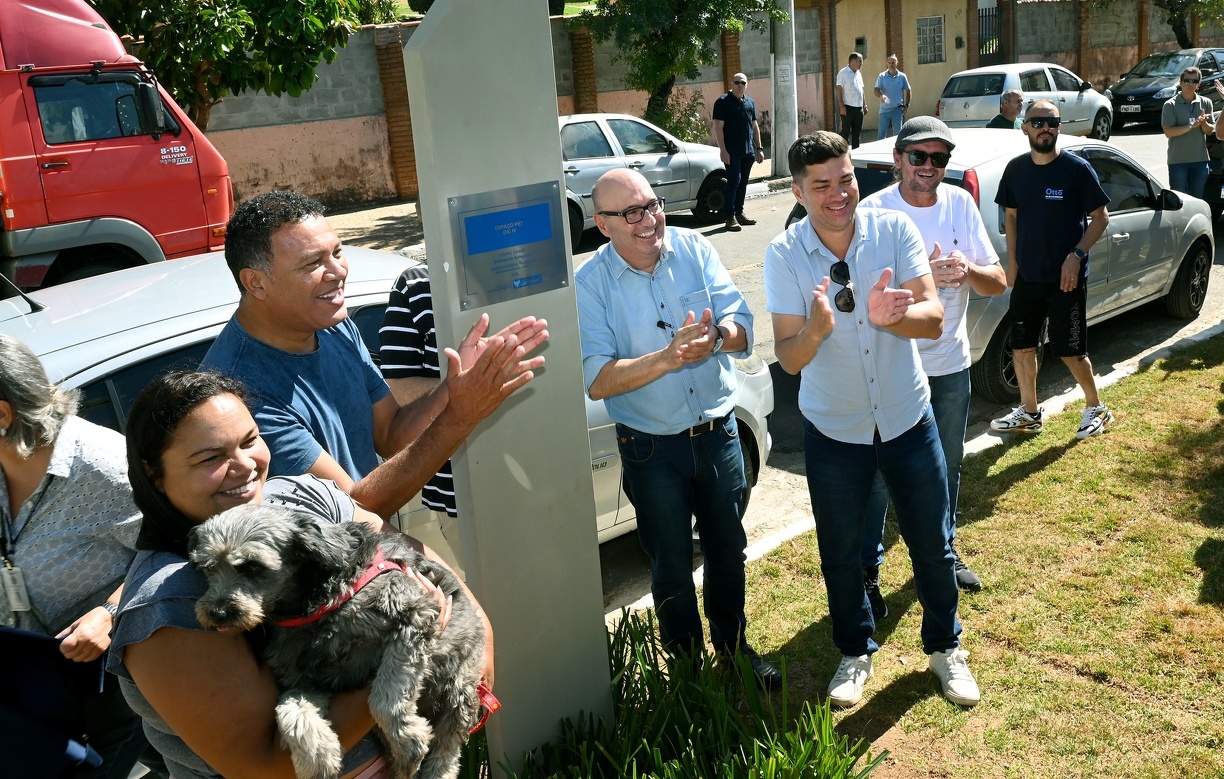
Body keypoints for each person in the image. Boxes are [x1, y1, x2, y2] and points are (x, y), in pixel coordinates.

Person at [107, 370, 494, 779]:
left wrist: (479, 646)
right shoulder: (166, 606)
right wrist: (399, 675)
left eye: (250, 440)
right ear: (153, 472)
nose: (243, 465)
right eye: (210, 457)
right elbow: (264, 767)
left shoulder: (300, 495)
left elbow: (420, 560)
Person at [764, 130, 979, 709]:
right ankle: (855, 652)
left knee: (932, 543)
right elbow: (788, 356)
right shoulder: (784, 255)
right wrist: (815, 328)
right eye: (822, 185)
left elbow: (933, 318)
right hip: (835, 432)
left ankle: (945, 649)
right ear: (798, 191)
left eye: (846, 179)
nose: (839, 194)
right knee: (840, 552)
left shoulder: (893, 230)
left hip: (909, 419)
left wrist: (894, 319)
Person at [199, 190, 548, 519]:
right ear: (255, 282)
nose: (338, 272)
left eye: (337, 252)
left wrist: (454, 389)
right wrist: (461, 415)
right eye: (312, 264)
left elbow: (391, 435)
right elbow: (354, 510)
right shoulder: (239, 391)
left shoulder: (330, 323)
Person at [574, 168, 781, 689]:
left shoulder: (692, 248)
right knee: (669, 563)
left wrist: (717, 337)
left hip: (719, 433)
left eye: (653, 204)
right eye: (632, 213)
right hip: (650, 450)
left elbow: (744, 328)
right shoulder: (590, 284)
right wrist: (666, 359)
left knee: (727, 551)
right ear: (603, 225)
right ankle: (687, 671)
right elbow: (597, 380)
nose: (650, 220)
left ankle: (734, 652)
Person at [0, 334, 164, 778]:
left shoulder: (104, 465)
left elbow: (177, 546)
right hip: (28, 688)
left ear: (1, 414)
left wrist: (110, 611)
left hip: (108, 692)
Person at [859, 118, 1007, 606]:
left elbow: (998, 281)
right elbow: (857, 295)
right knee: (879, 474)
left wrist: (966, 271)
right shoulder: (873, 211)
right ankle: (868, 570)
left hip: (948, 365)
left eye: (938, 158)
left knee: (947, 465)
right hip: (890, 368)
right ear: (899, 159)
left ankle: (943, 549)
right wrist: (921, 272)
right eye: (918, 156)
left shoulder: (961, 205)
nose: (928, 167)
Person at [990, 101, 1112, 439]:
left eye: (1052, 122)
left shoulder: (1076, 169)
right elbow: (1011, 217)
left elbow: (1100, 217)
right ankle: (1029, 413)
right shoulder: (1015, 170)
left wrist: (1076, 254)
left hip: (1066, 281)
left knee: (1070, 350)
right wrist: (1012, 263)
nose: (1046, 127)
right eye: (1038, 122)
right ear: (1025, 127)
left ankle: (1096, 407)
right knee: (1022, 346)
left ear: (1059, 127)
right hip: (1028, 276)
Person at [378, 260, 457, 520]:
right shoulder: (416, 284)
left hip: (542, 475)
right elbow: (397, 387)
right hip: (457, 491)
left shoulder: (540, 269)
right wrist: (463, 388)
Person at [713, 72, 766, 233]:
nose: (739, 85)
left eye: (742, 82)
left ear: (746, 84)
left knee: (743, 182)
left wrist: (759, 148)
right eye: (736, 82)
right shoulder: (723, 102)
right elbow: (718, 127)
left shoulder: (750, 102)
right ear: (732, 83)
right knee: (734, 181)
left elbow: (755, 126)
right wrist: (723, 150)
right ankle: (729, 217)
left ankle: (739, 212)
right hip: (731, 151)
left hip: (748, 151)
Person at [1162, 66, 1215, 198]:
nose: (1190, 84)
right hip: (1178, 162)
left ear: (1199, 84)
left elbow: (1210, 131)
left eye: (1194, 81)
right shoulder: (1170, 105)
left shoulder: (1206, 103)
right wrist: (1192, 125)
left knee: (1197, 199)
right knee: (1178, 200)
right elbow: (1169, 132)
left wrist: (1204, 124)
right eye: (1187, 80)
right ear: (1180, 82)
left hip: (1200, 161)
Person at [873, 54, 912, 140]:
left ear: (897, 63)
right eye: (889, 62)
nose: (891, 64)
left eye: (893, 62)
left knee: (898, 135)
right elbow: (876, 89)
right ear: (887, 63)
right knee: (881, 136)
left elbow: (908, 90)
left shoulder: (902, 76)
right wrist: (881, 96)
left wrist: (907, 105)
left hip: (897, 109)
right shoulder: (882, 76)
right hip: (884, 110)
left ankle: (897, 152)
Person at [836, 52, 868, 149]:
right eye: (860, 61)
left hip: (858, 108)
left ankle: (856, 152)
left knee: (857, 133)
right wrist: (841, 106)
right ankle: (841, 152)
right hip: (847, 107)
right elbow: (839, 90)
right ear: (853, 61)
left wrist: (864, 106)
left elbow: (861, 90)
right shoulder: (843, 73)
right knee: (845, 132)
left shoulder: (858, 73)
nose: (861, 63)